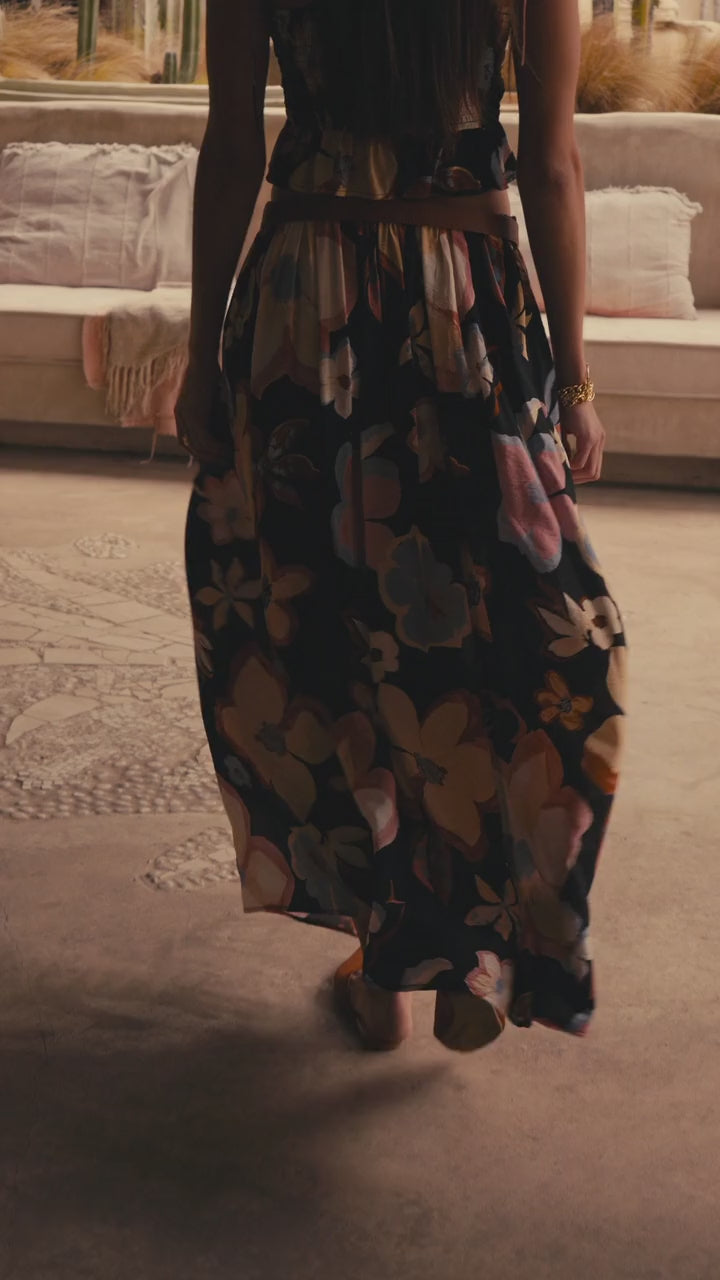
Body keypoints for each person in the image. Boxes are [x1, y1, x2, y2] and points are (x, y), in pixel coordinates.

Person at [177, 0, 627, 1053]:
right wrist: (573, 379)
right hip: (463, 303)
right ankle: (462, 939)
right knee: (527, 625)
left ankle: (394, 945)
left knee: (328, 629)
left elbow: (233, 146)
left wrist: (202, 355)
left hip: (304, 306)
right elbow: (553, 166)